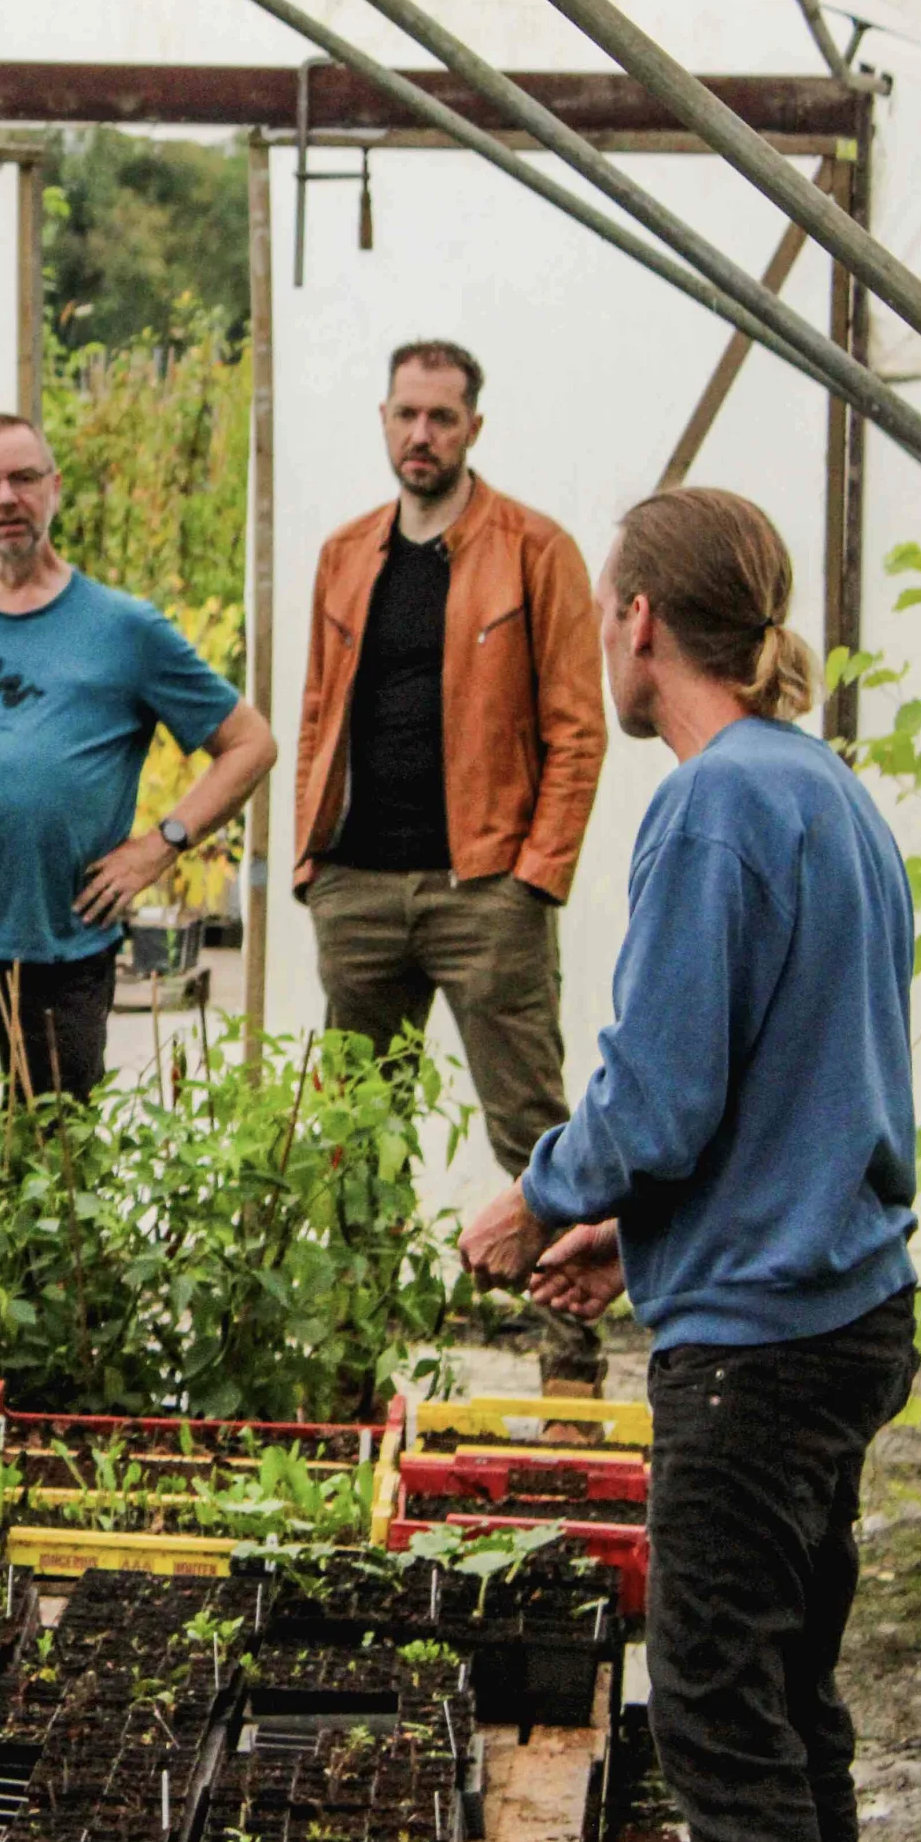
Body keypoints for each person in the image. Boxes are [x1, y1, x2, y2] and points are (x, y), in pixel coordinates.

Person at [460, 489, 915, 1842]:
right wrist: (630, 1232)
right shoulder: (820, 792)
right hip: (838, 1309)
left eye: (607, 622)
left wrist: (538, 1199)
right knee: (792, 1718)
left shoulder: (715, 810)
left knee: (727, 1729)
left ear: (640, 623)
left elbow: (657, 1092)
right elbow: (793, 1086)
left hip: (757, 1354)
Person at [294, 338, 606, 1387]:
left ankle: (569, 1356)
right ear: (382, 419)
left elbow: (576, 728)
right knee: (353, 1138)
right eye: (403, 415)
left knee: (531, 1128)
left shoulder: (533, 548)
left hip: (486, 889)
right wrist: (310, 862)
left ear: (473, 425)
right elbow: (313, 715)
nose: (418, 434)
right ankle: (349, 1363)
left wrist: (532, 877)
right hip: (358, 886)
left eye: (439, 416)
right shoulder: (344, 552)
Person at [0, 409, 275, 1100]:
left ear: (55, 487)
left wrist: (163, 843)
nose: (6, 498)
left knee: (60, 1173)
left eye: (24, 478)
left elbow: (250, 743)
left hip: (66, 945)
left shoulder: (124, 629)